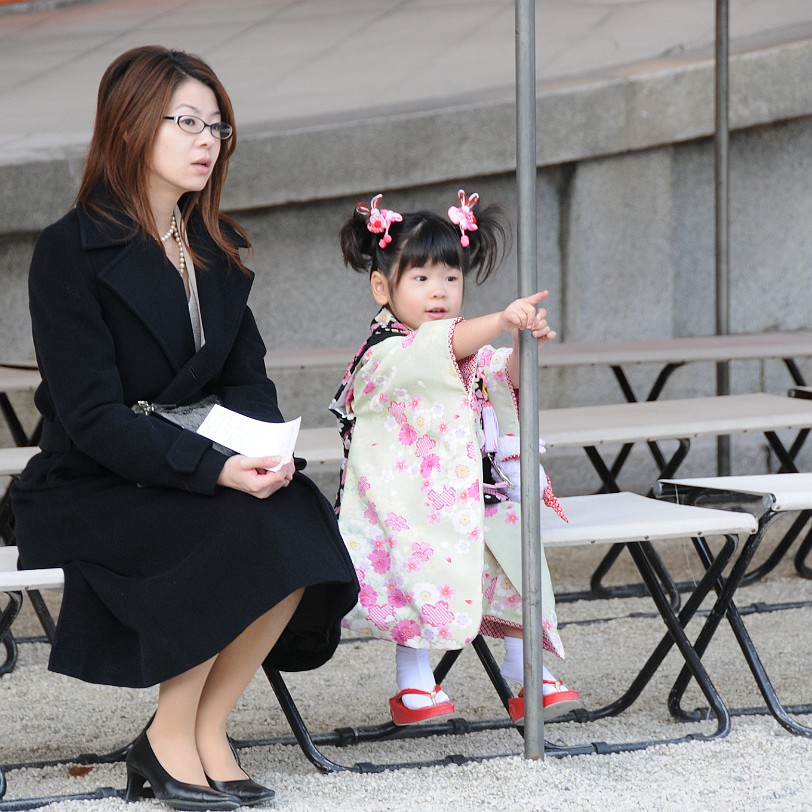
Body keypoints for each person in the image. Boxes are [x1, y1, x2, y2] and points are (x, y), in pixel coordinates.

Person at [10, 46, 359, 810]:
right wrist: (213, 469)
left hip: (193, 461)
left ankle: (202, 731)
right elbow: (92, 414)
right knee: (229, 523)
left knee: (294, 516)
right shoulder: (72, 248)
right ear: (132, 126)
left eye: (218, 127)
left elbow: (248, 380)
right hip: (95, 478)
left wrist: (263, 453)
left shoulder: (213, 249)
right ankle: (172, 738)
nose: (208, 140)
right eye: (187, 122)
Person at [330, 191, 581, 726]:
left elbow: (502, 382)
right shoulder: (384, 352)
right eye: (420, 279)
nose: (439, 292)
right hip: (397, 503)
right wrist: (498, 320)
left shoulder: (465, 343)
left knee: (514, 530)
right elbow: (441, 349)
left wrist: (527, 344)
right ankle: (414, 680)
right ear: (383, 286)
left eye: (450, 277)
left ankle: (524, 666)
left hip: (464, 495)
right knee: (413, 556)